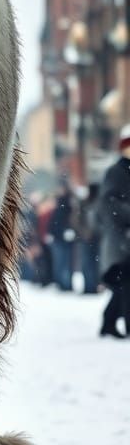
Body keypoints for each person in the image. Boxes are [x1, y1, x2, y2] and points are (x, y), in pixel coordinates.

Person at [97, 124, 130, 338]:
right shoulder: (116, 171)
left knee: (123, 286)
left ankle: (109, 323)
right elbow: (108, 204)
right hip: (120, 240)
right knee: (124, 285)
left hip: (124, 239)